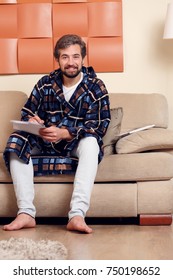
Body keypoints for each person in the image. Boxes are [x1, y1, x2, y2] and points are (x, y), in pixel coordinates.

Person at [3, 34, 110, 233]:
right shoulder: (45, 83)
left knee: (91, 143)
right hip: (45, 142)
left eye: (75, 56)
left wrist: (65, 133)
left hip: (74, 143)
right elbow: (27, 112)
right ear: (57, 59)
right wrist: (32, 121)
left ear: (83, 58)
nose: (71, 63)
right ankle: (26, 213)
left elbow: (99, 126)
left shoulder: (96, 86)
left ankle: (77, 214)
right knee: (16, 140)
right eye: (65, 57)